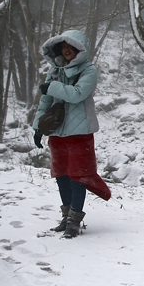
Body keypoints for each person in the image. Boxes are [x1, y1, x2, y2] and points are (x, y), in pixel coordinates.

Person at [33, 30, 111, 237]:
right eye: (63, 47)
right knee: (61, 176)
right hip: (57, 131)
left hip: (80, 131)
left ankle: (74, 221)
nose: (67, 51)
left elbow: (77, 95)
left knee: (79, 176)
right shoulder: (55, 69)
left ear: (79, 50)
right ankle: (65, 216)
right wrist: (38, 127)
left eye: (71, 47)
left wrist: (52, 86)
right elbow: (46, 100)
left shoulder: (88, 70)